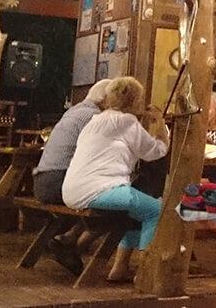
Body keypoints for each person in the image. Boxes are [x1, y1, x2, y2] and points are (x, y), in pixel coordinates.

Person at [62, 77, 170, 282]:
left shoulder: (97, 120)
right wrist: (161, 124)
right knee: (157, 210)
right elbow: (156, 151)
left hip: (73, 188)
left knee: (133, 212)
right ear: (136, 100)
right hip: (98, 189)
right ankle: (146, 272)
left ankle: (120, 268)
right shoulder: (126, 121)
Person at [33, 79, 112, 274]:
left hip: (43, 181)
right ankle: (72, 244)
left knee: (109, 198)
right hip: (59, 182)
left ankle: (69, 239)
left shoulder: (75, 111)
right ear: (106, 99)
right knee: (118, 205)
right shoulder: (93, 117)